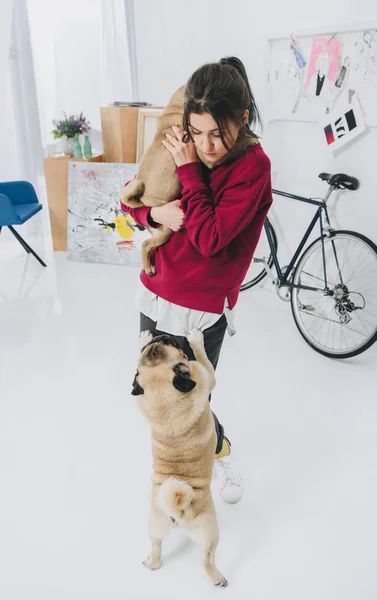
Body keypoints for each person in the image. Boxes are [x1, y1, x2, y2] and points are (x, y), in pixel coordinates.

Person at [121, 56, 273, 504]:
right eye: (197, 131)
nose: (206, 145)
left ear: (241, 119)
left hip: (200, 313)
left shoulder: (253, 168)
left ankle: (217, 458)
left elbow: (208, 239)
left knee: (190, 405)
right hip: (155, 295)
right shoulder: (183, 143)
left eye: (217, 133)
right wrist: (153, 213)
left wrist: (189, 169)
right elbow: (135, 198)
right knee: (160, 401)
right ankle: (174, 480)